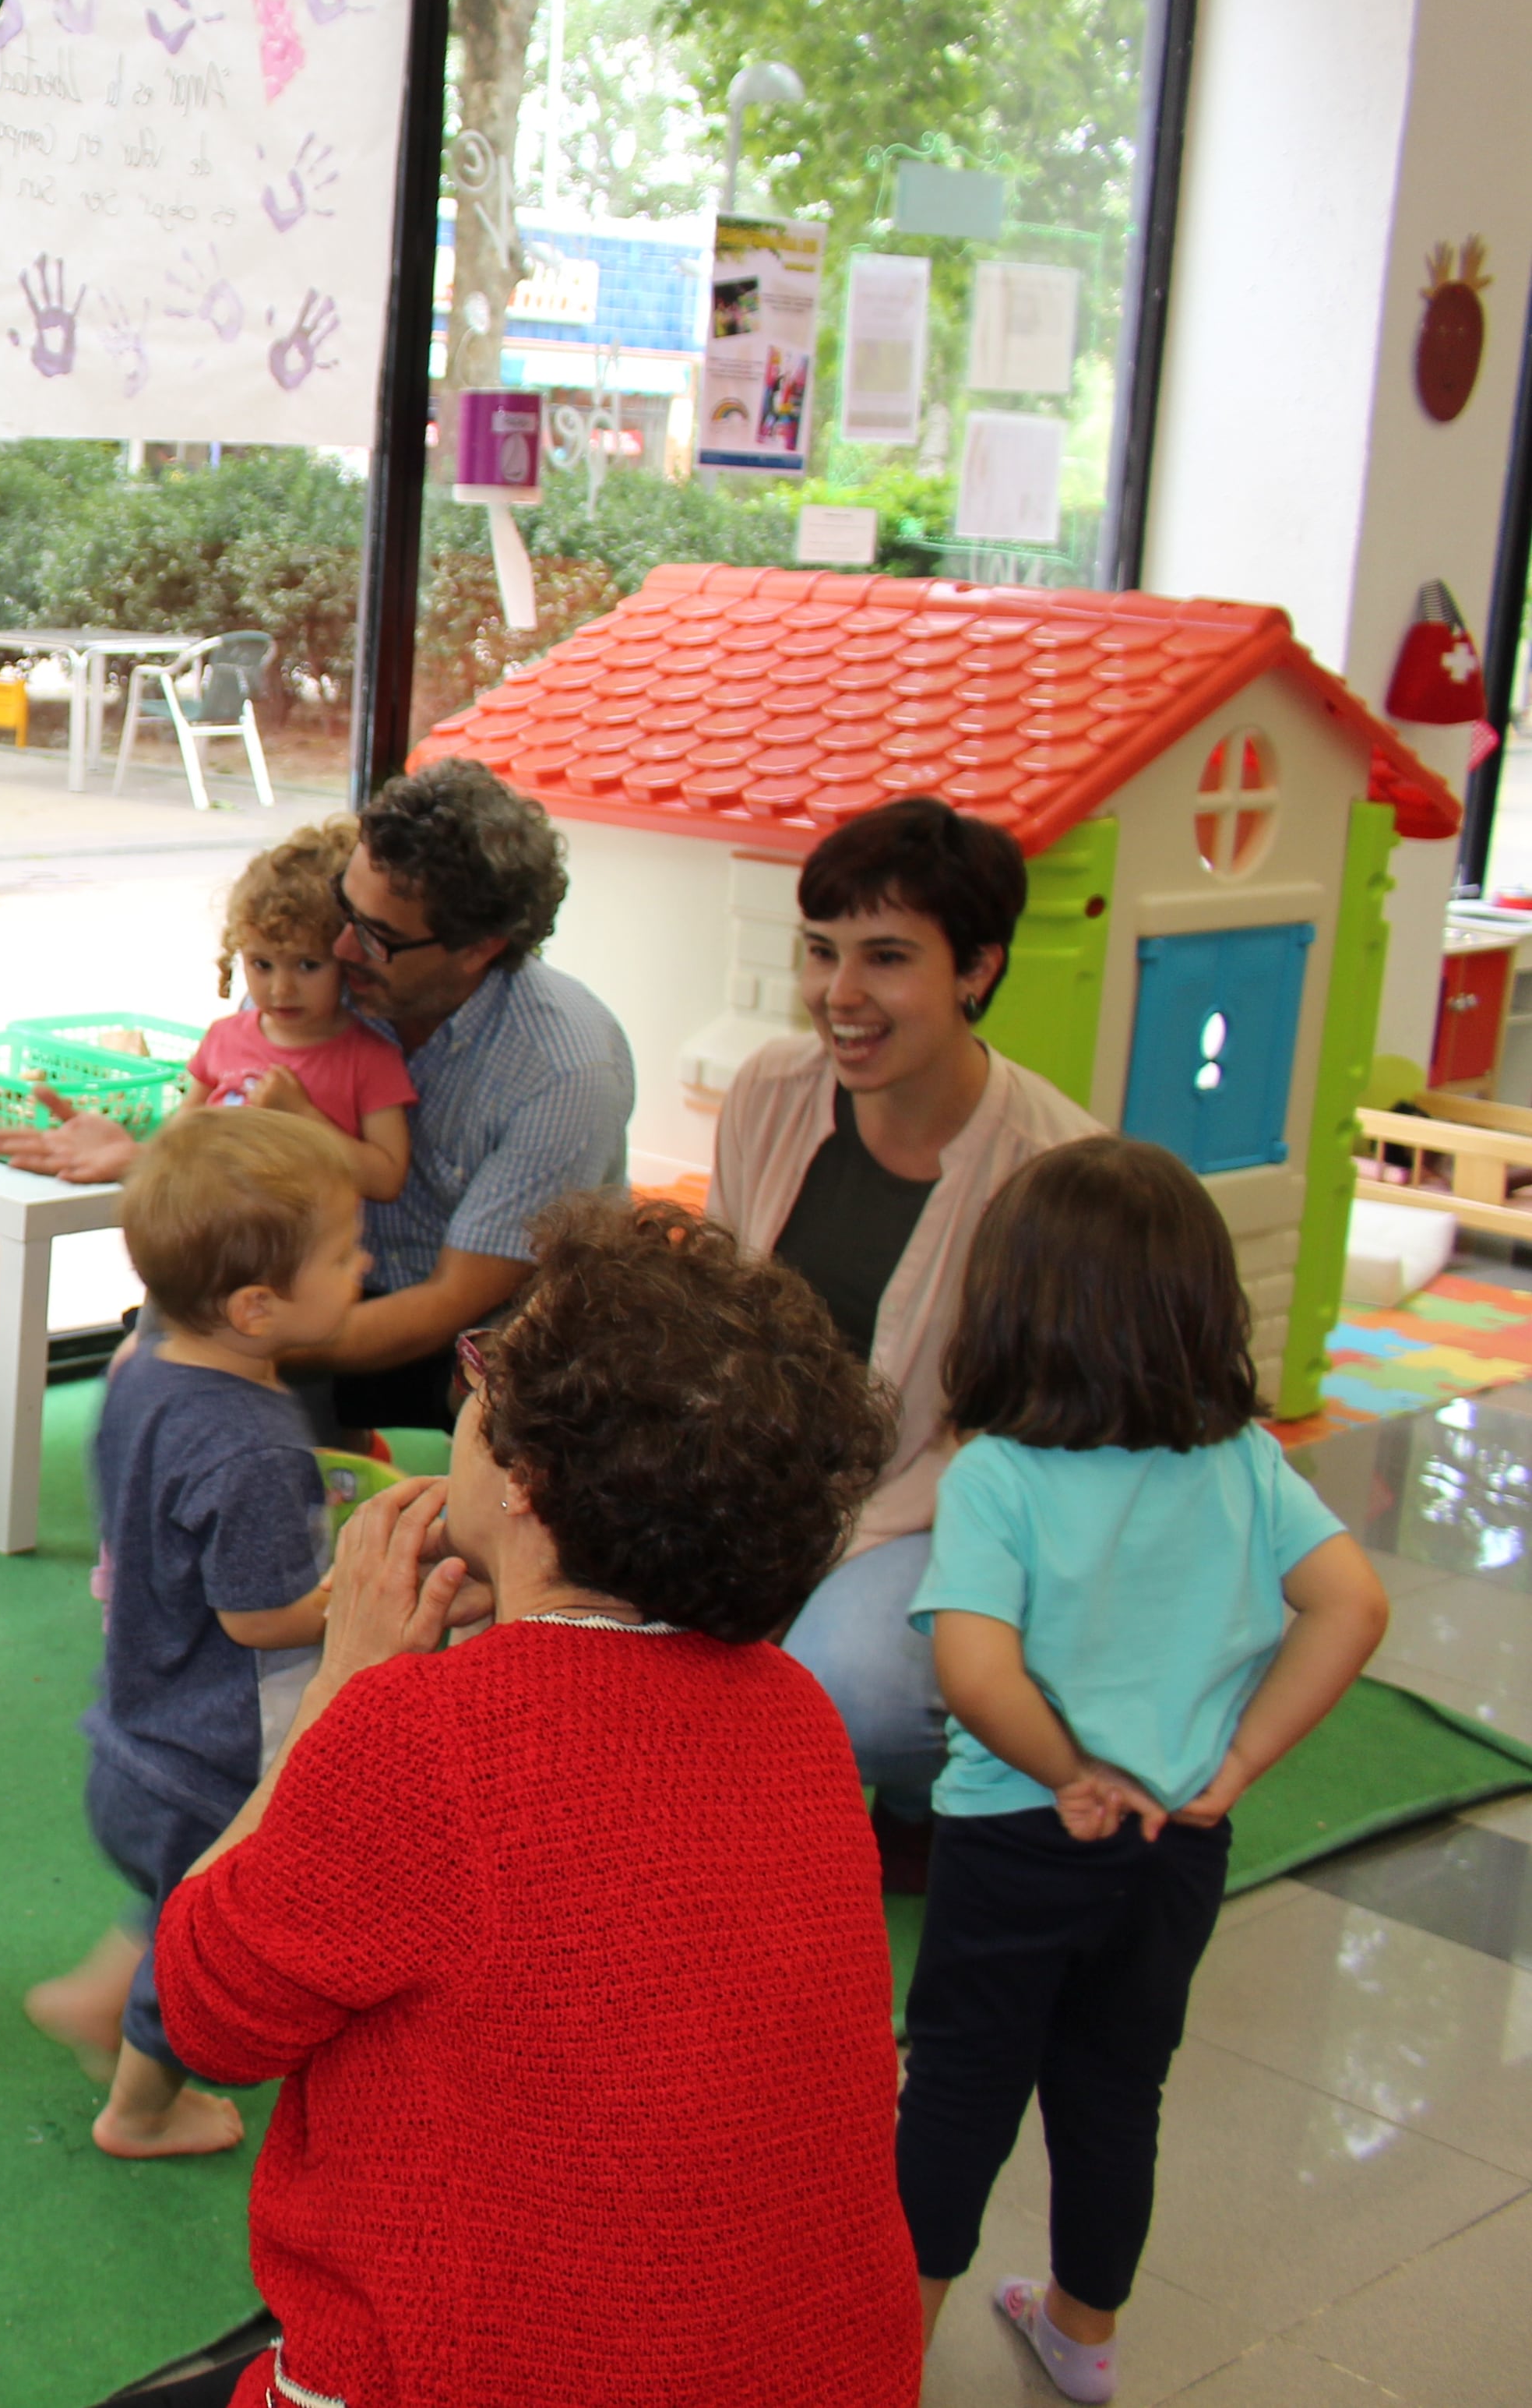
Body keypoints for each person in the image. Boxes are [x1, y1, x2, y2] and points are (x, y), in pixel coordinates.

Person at [150, 1197, 918, 2405]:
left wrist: (339, 1690)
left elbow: (206, 2009)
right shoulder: (800, 1716)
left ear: (526, 1475)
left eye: (482, 1374)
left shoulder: (423, 1736)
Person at [900, 1137, 1390, 2402]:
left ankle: (884, 2356)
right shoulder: (1243, 1463)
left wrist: (1069, 1766)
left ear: (1009, 1305)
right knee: (1117, 2094)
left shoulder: (997, 1473)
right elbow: (1351, 1605)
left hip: (1019, 1837)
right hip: (1177, 1841)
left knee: (959, 2094)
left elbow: (975, 1669)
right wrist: (1233, 1762)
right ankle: (1083, 2335)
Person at [0, 760, 632, 1434]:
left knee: (509, 1411)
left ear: (477, 949)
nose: (343, 944)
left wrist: (226, 1341)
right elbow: (233, 1162)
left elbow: (448, 1307)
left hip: (479, 1336)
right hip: (328, 1289)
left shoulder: (565, 1071)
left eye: (378, 935)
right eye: (344, 905)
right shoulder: (326, 986)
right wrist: (142, 1154)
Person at [707, 797, 1101, 1877]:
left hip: (945, 1509)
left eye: (886, 958)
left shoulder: (1056, 1171)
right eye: (822, 952)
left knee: (848, 1691)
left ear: (978, 968)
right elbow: (718, 1310)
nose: (840, 996)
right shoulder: (772, 1092)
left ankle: (934, 1788)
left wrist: (820, 1553)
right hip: (772, 1475)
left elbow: (1011, 1448)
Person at [26, 1109, 367, 2161]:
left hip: (137, 1730)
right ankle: (142, 2108)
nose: (367, 1265)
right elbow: (261, 1614)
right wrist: (357, 1590)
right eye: (348, 1253)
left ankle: (94, 2000)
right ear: (258, 1305)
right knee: (203, 1943)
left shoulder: (148, 1359)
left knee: (169, 1895)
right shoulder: (257, 1444)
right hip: (214, 1761)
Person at [185, 817, 414, 1202]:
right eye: (262, 964)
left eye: (308, 965)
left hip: (316, 1254)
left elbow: (386, 1179)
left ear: (347, 957)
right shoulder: (223, 1037)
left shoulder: (371, 1059)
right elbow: (181, 1137)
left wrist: (303, 1117)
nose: (281, 989)